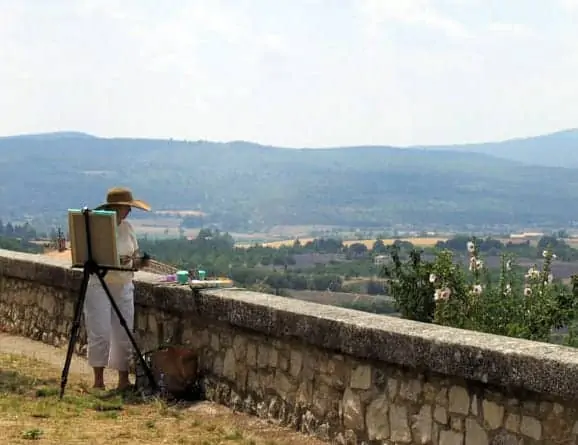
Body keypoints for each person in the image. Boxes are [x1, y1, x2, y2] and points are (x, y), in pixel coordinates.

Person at [84, 186, 151, 391]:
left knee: (124, 332)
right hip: (99, 283)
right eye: (126, 208)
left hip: (123, 283)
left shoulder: (128, 228)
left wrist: (139, 261)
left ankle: (123, 379)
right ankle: (98, 380)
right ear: (116, 208)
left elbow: (134, 254)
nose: (129, 212)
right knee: (100, 331)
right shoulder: (98, 228)